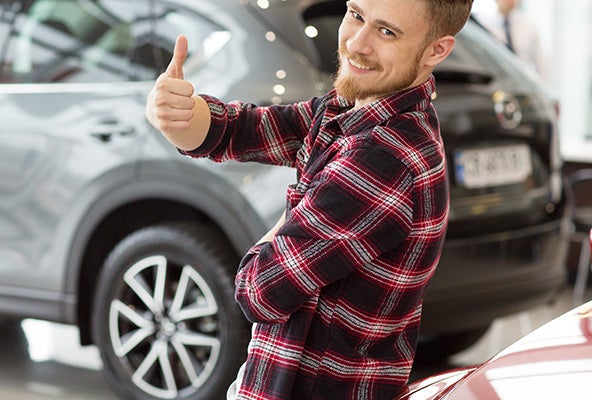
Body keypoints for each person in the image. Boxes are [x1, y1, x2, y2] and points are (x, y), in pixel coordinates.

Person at [145, 0, 473, 398]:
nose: (357, 43)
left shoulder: (386, 158)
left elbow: (260, 289)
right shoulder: (349, 110)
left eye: (386, 32)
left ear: (437, 50)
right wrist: (178, 115)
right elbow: (245, 129)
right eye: (355, 15)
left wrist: (290, 217)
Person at [476, 0, 548, 80]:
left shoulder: (530, 27)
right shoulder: (483, 25)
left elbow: (541, 67)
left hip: (522, 82)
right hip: (496, 81)